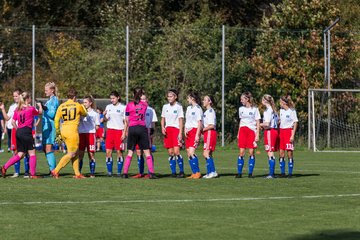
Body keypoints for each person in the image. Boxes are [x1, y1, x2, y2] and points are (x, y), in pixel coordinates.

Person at [0, 92, 43, 178]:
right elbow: (40, 112)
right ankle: (33, 174)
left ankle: (4, 167)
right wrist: (40, 106)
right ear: (27, 99)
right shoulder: (30, 108)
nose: (31, 99)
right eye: (30, 98)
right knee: (32, 153)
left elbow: (12, 122)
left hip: (19, 132)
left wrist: (18, 130)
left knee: (20, 154)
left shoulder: (17, 109)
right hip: (27, 132)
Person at [51, 89, 87, 178]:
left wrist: (58, 131)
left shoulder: (61, 106)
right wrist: (82, 106)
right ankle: (56, 170)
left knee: (75, 152)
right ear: (74, 97)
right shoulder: (78, 105)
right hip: (72, 131)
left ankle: (77, 173)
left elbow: (56, 120)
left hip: (64, 130)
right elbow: (85, 114)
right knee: (72, 153)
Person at [122, 87, 157, 179]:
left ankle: (125, 173)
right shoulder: (145, 105)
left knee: (130, 152)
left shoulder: (129, 105)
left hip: (132, 128)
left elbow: (126, 120)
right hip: (142, 128)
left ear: (133, 95)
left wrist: (125, 131)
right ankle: (152, 173)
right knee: (147, 152)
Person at [1, 88, 26, 178]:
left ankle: (27, 172)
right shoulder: (12, 107)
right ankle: (16, 172)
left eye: (16, 96)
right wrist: (3, 109)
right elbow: (7, 118)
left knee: (26, 152)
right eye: (13, 96)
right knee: (16, 152)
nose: (14, 98)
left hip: (24, 131)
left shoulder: (25, 105)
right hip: (14, 131)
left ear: (20, 95)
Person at [132, 94, 158, 178]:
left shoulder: (151, 110)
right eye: (141, 99)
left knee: (148, 152)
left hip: (147, 132)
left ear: (147, 99)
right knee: (139, 152)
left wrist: (152, 132)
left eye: (144, 99)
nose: (142, 101)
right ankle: (141, 172)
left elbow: (153, 122)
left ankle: (150, 172)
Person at [161, 89, 185, 178]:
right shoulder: (165, 106)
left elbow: (181, 120)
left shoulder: (179, 106)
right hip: (168, 130)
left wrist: (180, 133)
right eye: (168, 96)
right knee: (171, 152)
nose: (169, 98)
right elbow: (163, 118)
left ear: (175, 97)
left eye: (171, 96)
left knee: (176, 151)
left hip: (176, 130)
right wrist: (163, 127)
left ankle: (181, 171)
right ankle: (173, 172)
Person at [236, 91, 261, 178]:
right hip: (243, 130)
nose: (241, 101)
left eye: (242, 99)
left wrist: (257, 134)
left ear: (247, 99)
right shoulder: (241, 109)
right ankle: (239, 173)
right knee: (241, 152)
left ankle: (250, 173)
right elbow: (241, 121)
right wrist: (238, 133)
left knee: (251, 152)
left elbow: (258, 122)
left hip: (251, 131)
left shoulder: (255, 109)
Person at [103, 91, 126, 177]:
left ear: (118, 97)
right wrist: (104, 115)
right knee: (108, 152)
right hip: (110, 131)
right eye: (111, 98)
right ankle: (109, 172)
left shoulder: (123, 107)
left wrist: (125, 132)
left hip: (119, 131)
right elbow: (105, 119)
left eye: (113, 98)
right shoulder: (108, 107)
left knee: (119, 152)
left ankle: (119, 172)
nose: (112, 100)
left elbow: (125, 121)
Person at [78, 95, 100, 177]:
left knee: (91, 155)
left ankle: (92, 173)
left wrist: (91, 127)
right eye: (83, 102)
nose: (84, 104)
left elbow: (97, 126)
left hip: (90, 134)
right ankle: (79, 172)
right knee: (80, 155)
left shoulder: (95, 114)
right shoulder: (80, 113)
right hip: (81, 134)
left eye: (86, 102)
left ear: (90, 103)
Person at [41, 82, 59, 174]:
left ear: (52, 90)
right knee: (45, 148)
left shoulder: (54, 100)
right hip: (46, 127)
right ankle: (51, 168)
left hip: (51, 127)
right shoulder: (49, 100)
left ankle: (53, 170)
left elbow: (52, 114)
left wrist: (44, 108)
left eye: (46, 90)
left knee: (48, 148)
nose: (45, 92)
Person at [260, 94, 279, 179]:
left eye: (262, 99)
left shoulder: (268, 111)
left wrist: (259, 124)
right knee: (270, 152)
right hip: (274, 131)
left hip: (270, 132)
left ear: (265, 100)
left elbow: (267, 124)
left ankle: (271, 174)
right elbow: (278, 121)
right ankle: (271, 173)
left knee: (270, 152)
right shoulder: (274, 110)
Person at [279, 95, 298, 178]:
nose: (279, 103)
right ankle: (282, 173)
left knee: (289, 153)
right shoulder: (281, 111)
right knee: (281, 153)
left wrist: (292, 135)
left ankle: (290, 173)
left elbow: (295, 123)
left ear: (284, 102)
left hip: (288, 132)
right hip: (281, 132)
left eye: (280, 101)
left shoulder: (292, 111)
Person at [185, 91, 203, 179]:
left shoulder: (198, 109)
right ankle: (193, 172)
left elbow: (199, 122)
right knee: (188, 153)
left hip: (194, 131)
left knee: (192, 152)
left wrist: (197, 135)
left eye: (188, 98)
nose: (187, 99)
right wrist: (185, 129)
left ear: (192, 98)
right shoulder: (188, 108)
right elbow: (187, 120)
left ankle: (197, 172)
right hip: (188, 132)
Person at [201, 95, 218, 179]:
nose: (203, 101)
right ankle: (210, 172)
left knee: (205, 153)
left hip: (210, 133)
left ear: (210, 102)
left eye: (205, 100)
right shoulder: (206, 112)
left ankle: (212, 172)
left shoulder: (211, 111)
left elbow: (212, 125)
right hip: (207, 133)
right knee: (208, 154)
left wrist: (202, 130)